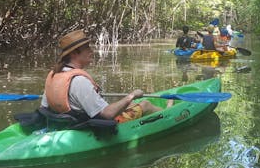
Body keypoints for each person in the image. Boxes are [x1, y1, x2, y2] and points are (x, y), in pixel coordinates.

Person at [41, 29, 171, 123]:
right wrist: (132, 95)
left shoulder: (54, 74)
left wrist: (128, 101)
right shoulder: (79, 81)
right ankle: (168, 113)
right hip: (91, 125)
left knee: (130, 104)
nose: (91, 51)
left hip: (69, 122)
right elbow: (107, 114)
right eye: (87, 48)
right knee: (145, 104)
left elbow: (44, 107)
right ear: (74, 54)